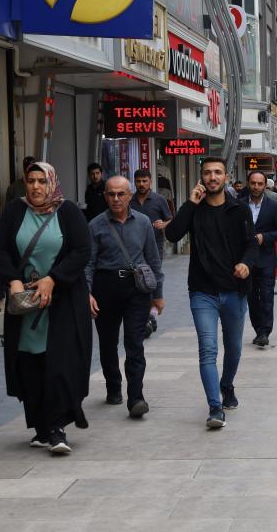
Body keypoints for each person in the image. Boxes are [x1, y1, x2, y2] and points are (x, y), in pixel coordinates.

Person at [0, 162, 92, 454]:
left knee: (59, 362)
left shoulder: (68, 211)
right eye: (31, 181)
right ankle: (40, 426)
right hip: (25, 303)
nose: (36, 187)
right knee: (30, 363)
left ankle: (58, 427)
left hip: (62, 302)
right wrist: (12, 281)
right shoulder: (14, 211)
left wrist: (54, 279)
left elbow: (82, 250)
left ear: (52, 183)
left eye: (41, 181)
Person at [165, 158, 257, 429]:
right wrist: (190, 203)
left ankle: (226, 384)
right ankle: (215, 407)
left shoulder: (239, 209)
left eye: (217, 173)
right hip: (202, 291)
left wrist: (245, 264)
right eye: (207, 173)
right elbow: (172, 234)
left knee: (235, 349)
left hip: (234, 291)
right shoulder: (195, 209)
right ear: (201, 178)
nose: (212, 177)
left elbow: (251, 244)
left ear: (226, 177)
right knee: (207, 349)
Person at [86, 176, 164, 418]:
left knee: (134, 343)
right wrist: (87, 293)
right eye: (111, 194)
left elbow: (153, 259)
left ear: (130, 195)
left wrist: (157, 295)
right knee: (108, 342)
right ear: (105, 196)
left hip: (136, 288)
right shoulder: (95, 225)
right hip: (105, 286)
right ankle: (113, 386)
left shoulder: (143, 223)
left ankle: (136, 397)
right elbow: (88, 264)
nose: (116, 199)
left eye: (121, 194)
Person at [242, 171, 277, 348]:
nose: (256, 187)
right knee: (252, 297)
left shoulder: (273, 206)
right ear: (248, 183)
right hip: (246, 260)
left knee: (267, 296)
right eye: (253, 183)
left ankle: (265, 332)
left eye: (260, 184)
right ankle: (258, 328)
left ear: (264, 185)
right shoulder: (240, 205)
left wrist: (264, 237)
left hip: (266, 258)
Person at [131, 169, 173, 333]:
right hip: (134, 248)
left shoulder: (159, 199)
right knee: (138, 280)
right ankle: (147, 316)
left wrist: (163, 224)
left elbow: (170, 218)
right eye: (138, 181)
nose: (141, 184)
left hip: (155, 245)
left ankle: (150, 315)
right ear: (134, 182)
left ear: (150, 182)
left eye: (144, 181)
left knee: (151, 278)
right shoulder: (129, 200)